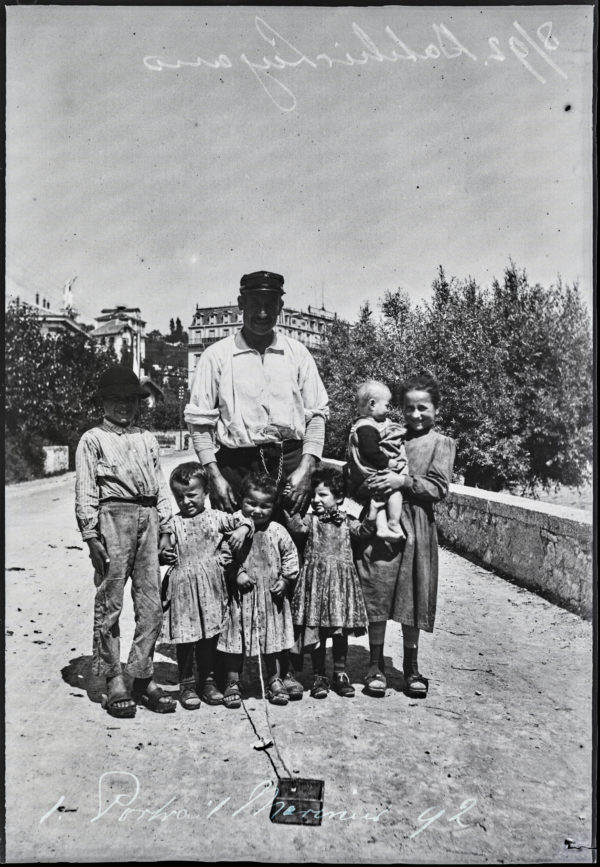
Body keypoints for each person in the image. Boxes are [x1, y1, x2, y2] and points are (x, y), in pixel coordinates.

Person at [75, 365, 177, 717]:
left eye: (130, 400)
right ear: (102, 402)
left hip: (148, 517)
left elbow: (159, 485)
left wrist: (166, 528)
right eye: (116, 399)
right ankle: (114, 678)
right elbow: (86, 490)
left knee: (151, 605)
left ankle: (141, 674)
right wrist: (91, 535)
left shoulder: (147, 438)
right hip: (112, 519)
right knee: (110, 603)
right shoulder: (92, 439)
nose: (123, 406)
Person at [184, 271, 329, 517]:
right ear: (241, 303)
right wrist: (215, 477)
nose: (262, 313)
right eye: (255, 304)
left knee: (293, 538)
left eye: (269, 305)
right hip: (236, 468)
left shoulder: (298, 353)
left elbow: (317, 415)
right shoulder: (216, 356)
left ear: (280, 306)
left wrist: (307, 469)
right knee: (235, 538)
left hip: (291, 469)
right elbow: (199, 423)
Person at [356, 374, 456, 699]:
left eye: (423, 408)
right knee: (379, 592)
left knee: (413, 596)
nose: (415, 415)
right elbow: (363, 467)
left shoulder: (441, 443)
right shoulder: (387, 433)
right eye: (409, 408)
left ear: (436, 408)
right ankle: (375, 665)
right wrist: (370, 485)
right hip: (382, 523)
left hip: (418, 526)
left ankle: (411, 668)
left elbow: (438, 487)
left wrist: (402, 482)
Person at [159, 462, 255, 710]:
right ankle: (187, 684)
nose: (186, 501)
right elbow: (163, 546)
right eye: (180, 497)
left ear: (206, 493)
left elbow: (245, 518)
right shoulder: (173, 523)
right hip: (183, 590)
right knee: (185, 639)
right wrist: (164, 554)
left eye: (191, 495)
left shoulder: (217, 518)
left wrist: (243, 530)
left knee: (209, 637)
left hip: (211, 589)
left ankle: (208, 681)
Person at [287, 466, 375, 699]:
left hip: (340, 585)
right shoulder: (310, 520)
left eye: (323, 495)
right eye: (313, 495)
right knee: (317, 632)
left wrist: (375, 507)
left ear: (339, 497)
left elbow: (364, 531)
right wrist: (289, 502)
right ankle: (319, 676)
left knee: (339, 631)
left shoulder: (347, 521)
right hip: (315, 584)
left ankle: (340, 674)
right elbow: (294, 526)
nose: (316, 500)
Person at [217, 472, 301, 708]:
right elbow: (223, 555)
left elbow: (291, 556)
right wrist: (237, 573)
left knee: (272, 640)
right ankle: (233, 681)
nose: (257, 510)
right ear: (241, 500)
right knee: (235, 639)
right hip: (240, 598)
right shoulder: (235, 528)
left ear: (273, 507)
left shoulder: (277, 531)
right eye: (251, 503)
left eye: (265, 506)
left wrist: (285, 580)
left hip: (270, 599)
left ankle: (274, 679)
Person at [346, 380, 407, 541]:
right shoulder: (367, 428)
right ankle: (393, 522)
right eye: (387, 405)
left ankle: (381, 527)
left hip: (363, 478)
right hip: (370, 475)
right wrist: (388, 462)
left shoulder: (358, 424)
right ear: (372, 404)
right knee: (394, 490)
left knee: (378, 498)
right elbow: (371, 452)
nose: (389, 409)